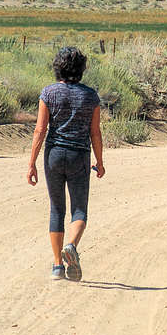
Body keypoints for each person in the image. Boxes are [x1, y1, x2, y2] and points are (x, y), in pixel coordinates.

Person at [26, 46, 105, 281]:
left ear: (57, 67)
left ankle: (58, 266)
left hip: (53, 155)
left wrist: (31, 163)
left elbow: (40, 130)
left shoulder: (48, 93)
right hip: (79, 156)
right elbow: (96, 134)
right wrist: (99, 162)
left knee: (56, 209)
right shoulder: (91, 96)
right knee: (79, 209)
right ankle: (71, 245)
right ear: (81, 69)